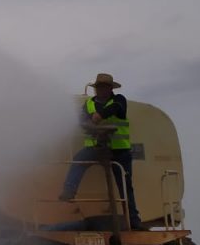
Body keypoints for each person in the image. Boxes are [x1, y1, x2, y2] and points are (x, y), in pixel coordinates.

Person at [59, 73, 143, 229]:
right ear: (95, 89)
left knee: (125, 186)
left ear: (110, 88)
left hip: (120, 150)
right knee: (78, 160)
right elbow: (82, 119)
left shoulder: (119, 101)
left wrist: (99, 116)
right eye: (98, 87)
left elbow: (116, 109)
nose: (101, 90)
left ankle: (134, 221)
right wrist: (89, 121)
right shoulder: (88, 104)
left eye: (104, 87)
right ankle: (69, 191)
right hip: (95, 147)